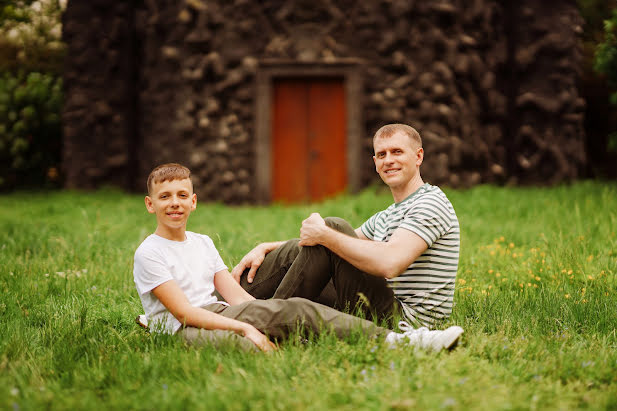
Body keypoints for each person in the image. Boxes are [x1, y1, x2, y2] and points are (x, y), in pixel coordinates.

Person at [133, 163, 463, 352]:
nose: (173, 203)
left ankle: (398, 343)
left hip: (216, 311)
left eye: (180, 196)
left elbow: (236, 297)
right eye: (164, 197)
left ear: (193, 202)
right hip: (185, 324)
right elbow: (186, 313)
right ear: (151, 205)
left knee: (292, 312)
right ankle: (396, 343)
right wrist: (249, 328)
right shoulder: (150, 252)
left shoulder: (203, 242)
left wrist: (266, 315)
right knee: (261, 342)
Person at [232, 124, 460, 329]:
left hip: (406, 321)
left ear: (418, 156)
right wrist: (267, 246)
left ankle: (267, 327)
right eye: (382, 154)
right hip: (380, 304)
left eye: (397, 152)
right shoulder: (387, 215)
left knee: (332, 228)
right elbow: (340, 245)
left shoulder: (430, 203)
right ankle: (222, 303)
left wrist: (324, 234)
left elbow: (390, 263)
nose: (388, 160)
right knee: (297, 248)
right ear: (375, 163)